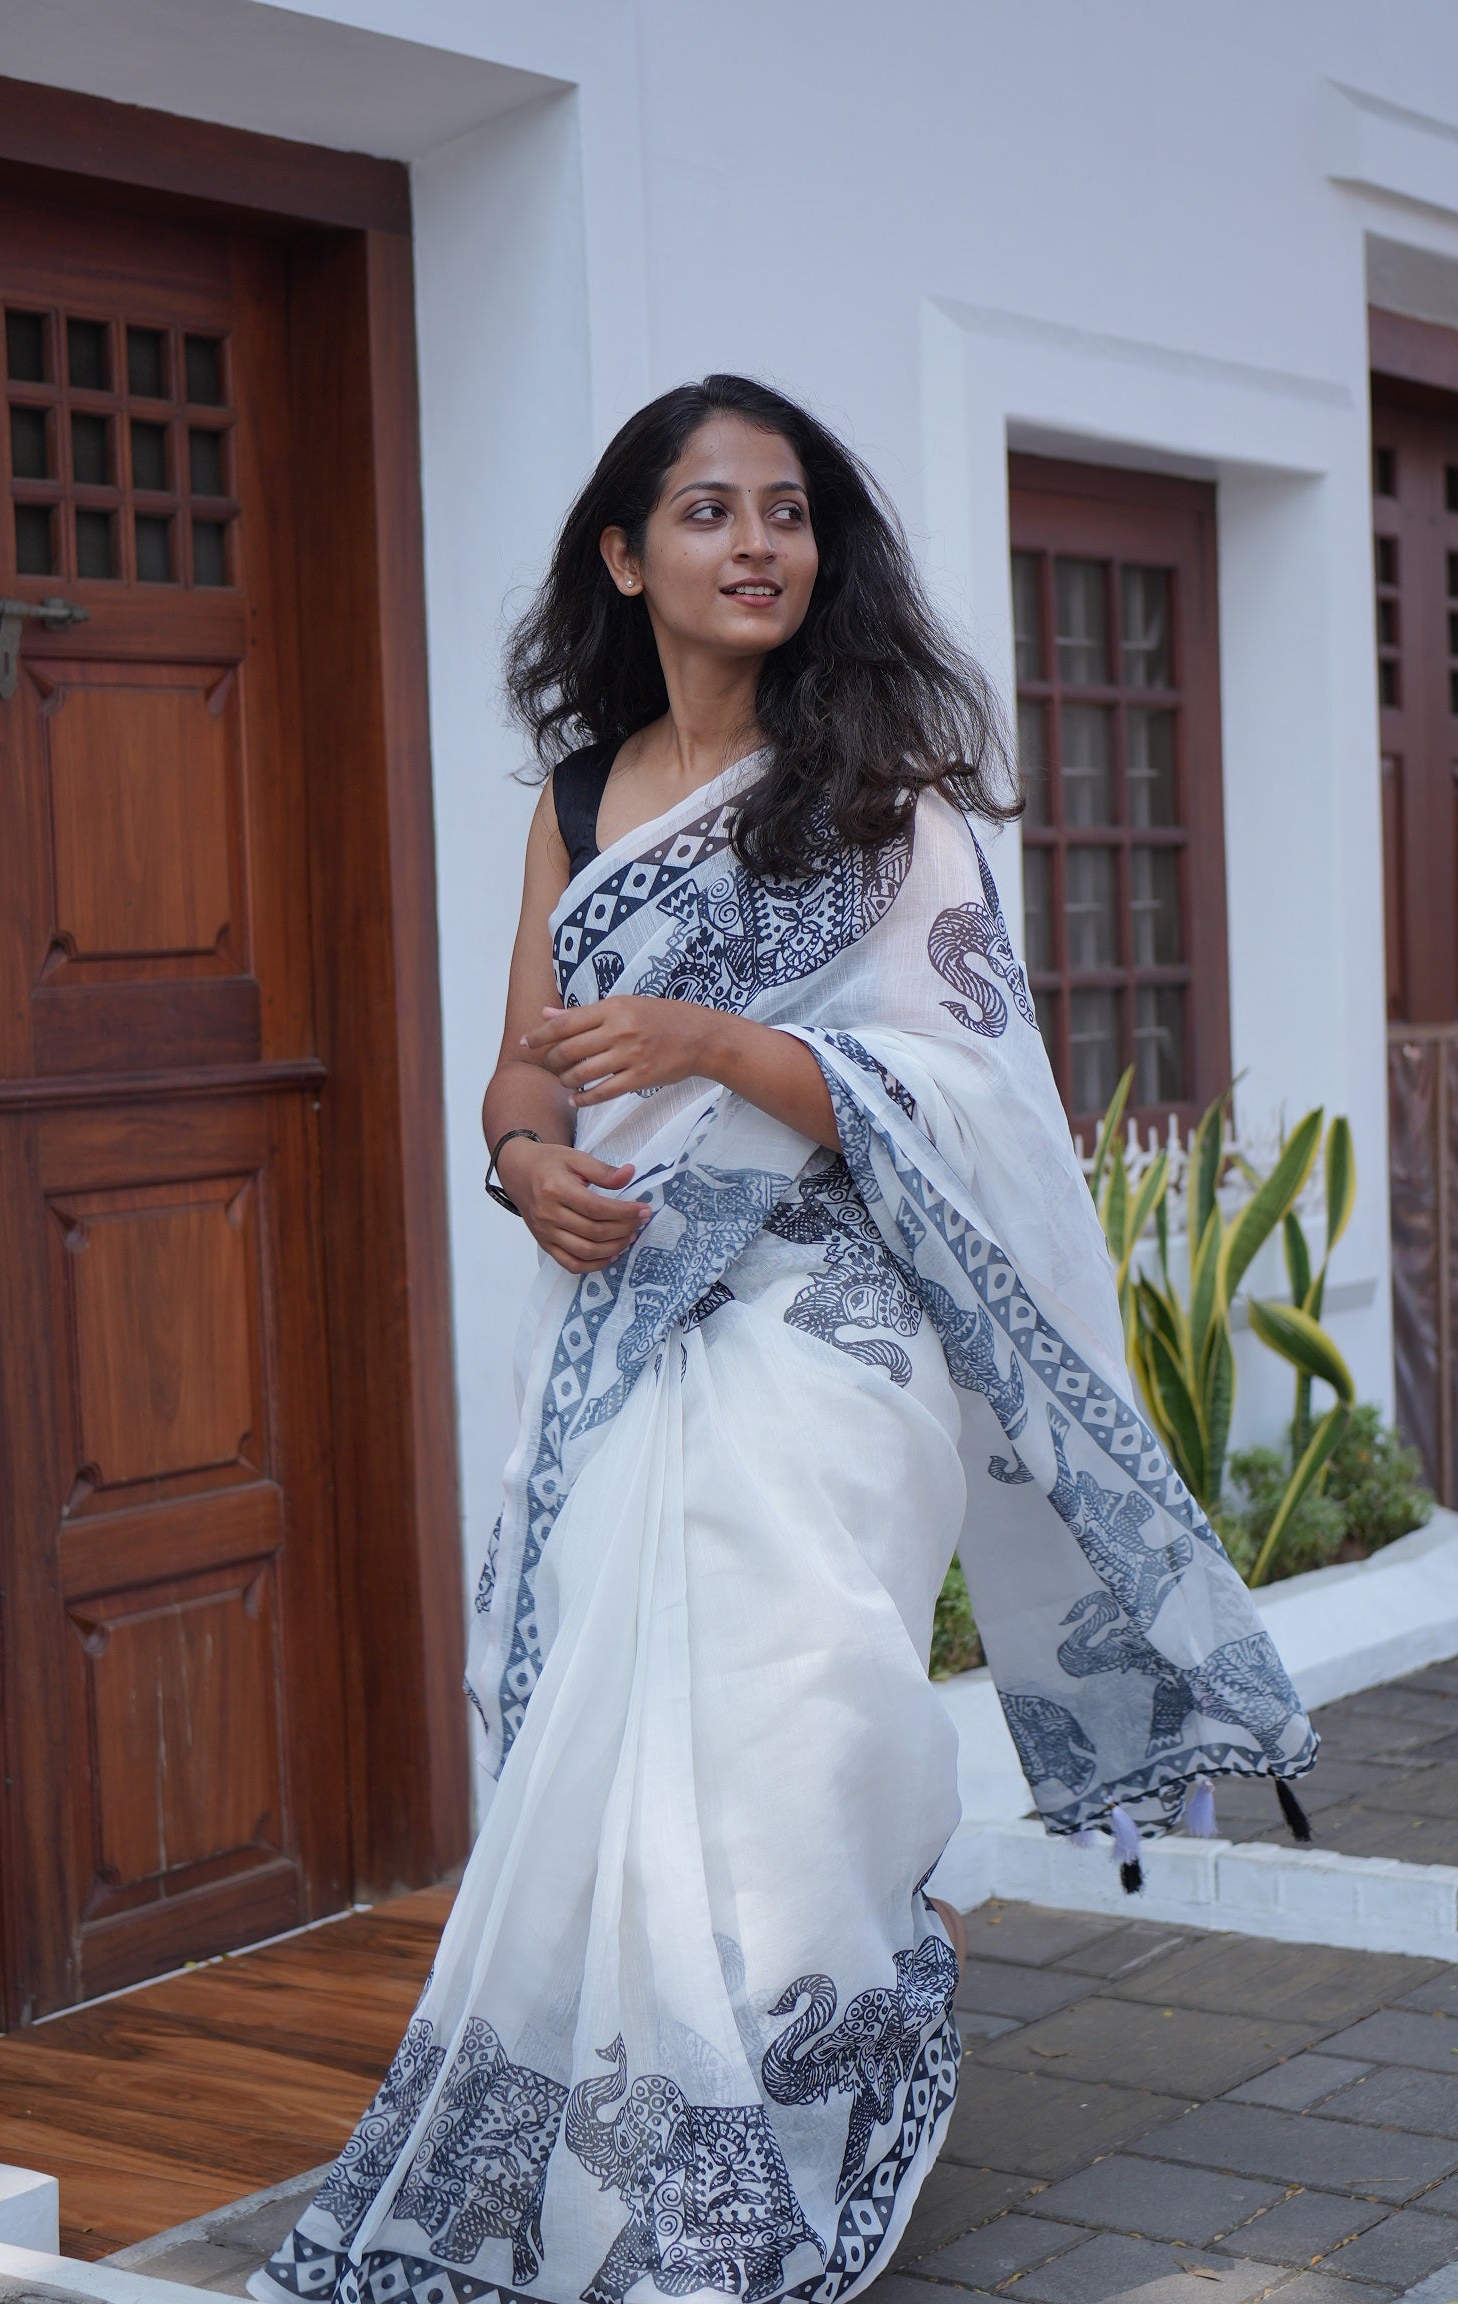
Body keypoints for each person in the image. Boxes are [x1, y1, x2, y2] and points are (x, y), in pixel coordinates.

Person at [253, 376, 1314, 2304]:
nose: (759, 544)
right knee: (614, 1737)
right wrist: (518, 1160)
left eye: (792, 512)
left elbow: (979, 1089)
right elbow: (520, 1057)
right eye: (712, 510)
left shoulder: (880, 798)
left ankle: (814, 2066)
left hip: (831, 1336)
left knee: (793, 1724)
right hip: (621, 1331)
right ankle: (651, 2160)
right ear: (624, 553)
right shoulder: (580, 799)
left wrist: (725, 1050)